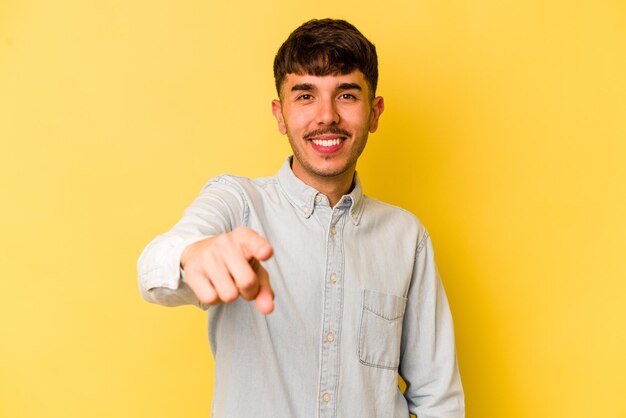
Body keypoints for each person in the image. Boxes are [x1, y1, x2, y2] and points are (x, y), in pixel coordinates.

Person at [138, 18, 464, 418]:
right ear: (280, 114)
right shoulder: (238, 204)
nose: (326, 116)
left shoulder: (406, 237)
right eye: (305, 96)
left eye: (346, 95)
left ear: (375, 112)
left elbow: (438, 399)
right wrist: (195, 254)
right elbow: (154, 270)